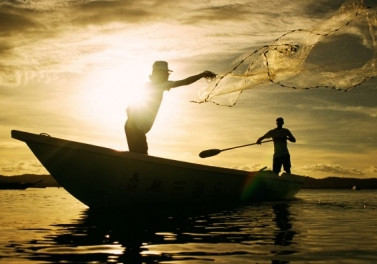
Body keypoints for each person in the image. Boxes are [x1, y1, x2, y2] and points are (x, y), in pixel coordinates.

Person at [125, 60, 216, 154]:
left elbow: (129, 108)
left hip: (134, 127)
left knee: (138, 154)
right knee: (141, 155)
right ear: (159, 74)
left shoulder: (153, 85)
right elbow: (185, 82)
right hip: (135, 128)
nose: (168, 75)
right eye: (166, 73)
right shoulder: (159, 85)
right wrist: (201, 75)